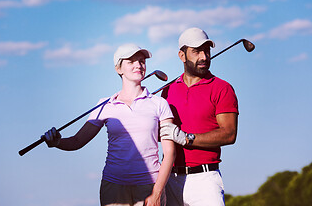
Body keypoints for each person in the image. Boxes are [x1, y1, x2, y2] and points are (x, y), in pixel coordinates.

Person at [42, 43, 176, 206]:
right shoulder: (104, 105)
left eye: (141, 61)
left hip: (149, 186)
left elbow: (170, 153)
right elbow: (77, 141)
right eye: (131, 61)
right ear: (118, 69)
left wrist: (157, 192)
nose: (138, 65)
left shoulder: (159, 103)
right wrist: (56, 142)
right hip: (113, 187)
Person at [160, 27, 239, 206]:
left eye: (207, 50)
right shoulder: (168, 91)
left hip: (205, 181)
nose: (204, 57)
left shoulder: (222, 88)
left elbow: (229, 133)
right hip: (170, 180)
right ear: (182, 55)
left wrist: (187, 138)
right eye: (196, 51)